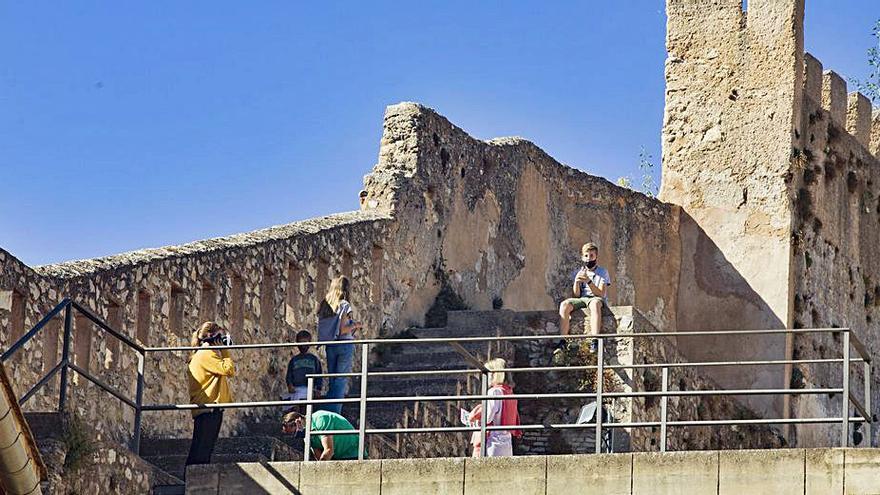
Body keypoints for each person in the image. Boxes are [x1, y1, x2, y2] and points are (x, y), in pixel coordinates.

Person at [185, 322, 235, 467]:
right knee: (202, 450)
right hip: (210, 406)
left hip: (206, 406)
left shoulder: (200, 354)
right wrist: (224, 350)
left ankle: (191, 479)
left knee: (201, 447)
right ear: (210, 336)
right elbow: (228, 370)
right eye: (219, 335)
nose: (221, 339)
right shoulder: (207, 354)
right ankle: (192, 480)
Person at [316, 276, 362, 414]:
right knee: (340, 380)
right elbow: (343, 330)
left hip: (330, 345)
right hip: (344, 345)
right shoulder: (345, 305)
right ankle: (335, 413)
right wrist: (357, 325)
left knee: (332, 379)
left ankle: (328, 411)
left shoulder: (326, 305)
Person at [557, 242, 612, 353]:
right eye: (586, 256)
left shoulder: (603, 272)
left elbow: (601, 293)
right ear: (582, 257)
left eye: (591, 255)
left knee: (594, 304)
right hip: (582, 298)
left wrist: (588, 281)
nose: (588, 259)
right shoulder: (579, 272)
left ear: (596, 256)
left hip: (595, 298)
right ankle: (562, 341)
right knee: (564, 305)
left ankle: (595, 340)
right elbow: (576, 295)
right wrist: (577, 282)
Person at [465, 358, 521, 457]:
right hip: (506, 439)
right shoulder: (509, 392)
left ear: (495, 374)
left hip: (493, 440)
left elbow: (487, 418)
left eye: (488, 373)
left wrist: (475, 419)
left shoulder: (494, 391)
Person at [281, 410, 367, 460]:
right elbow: (319, 457)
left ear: (298, 421)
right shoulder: (306, 436)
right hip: (339, 457)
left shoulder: (320, 419)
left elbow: (329, 450)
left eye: (293, 432)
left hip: (354, 452)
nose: (294, 435)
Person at [283, 329, 323, 409]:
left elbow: (319, 375)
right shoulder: (294, 360)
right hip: (296, 388)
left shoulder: (314, 360)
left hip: (310, 389)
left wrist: (318, 388)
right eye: (301, 342)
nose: (303, 345)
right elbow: (289, 374)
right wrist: (290, 385)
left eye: (305, 342)